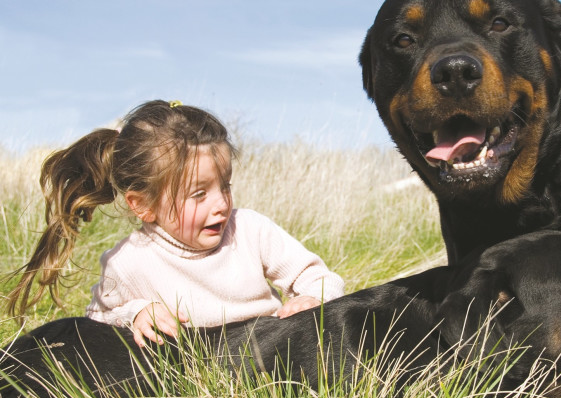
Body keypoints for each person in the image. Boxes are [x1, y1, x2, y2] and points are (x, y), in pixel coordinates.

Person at [6, 100, 345, 347]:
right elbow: (97, 322)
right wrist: (137, 312)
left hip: (268, 358)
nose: (221, 204)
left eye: (225, 186)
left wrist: (312, 298)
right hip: (192, 375)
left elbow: (318, 277)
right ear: (143, 205)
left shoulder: (250, 230)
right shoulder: (128, 262)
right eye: (199, 194)